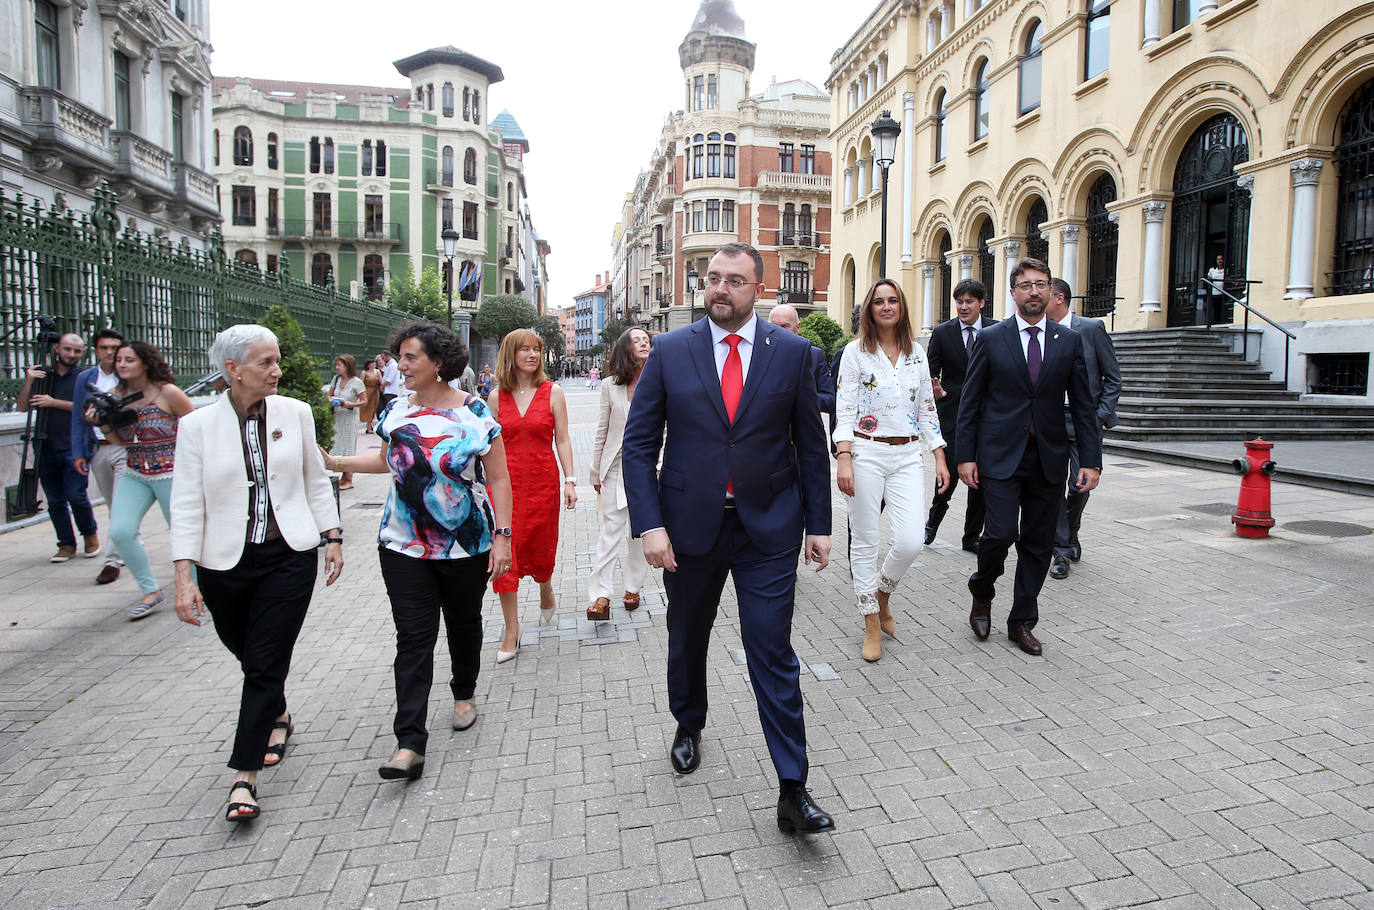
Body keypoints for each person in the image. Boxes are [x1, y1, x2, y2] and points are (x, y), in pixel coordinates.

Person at [622, 242, 835, 835]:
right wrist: (650, 525)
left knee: (771, 648)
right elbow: (638, 446)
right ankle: (689, 722)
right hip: (688, 527)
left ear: (757, 290)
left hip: (768, 527)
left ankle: (793, 787)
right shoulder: (670, 350)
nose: (719, 287)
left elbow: (810, 446)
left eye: (734, 280)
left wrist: (819, 523)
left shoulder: (792, 353)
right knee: (688, 635)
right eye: (713, 277)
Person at [170, 324, 344, 823]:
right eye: (266, 362)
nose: (277, 371)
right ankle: (278, 711)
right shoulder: (197, 427)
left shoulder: (296, 412)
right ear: (233, 370)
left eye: (277, 360)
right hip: (223, 563)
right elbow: (186, 503)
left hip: (288, 556)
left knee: (265, 660)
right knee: (249, 654)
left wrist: (332, 536)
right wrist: (183, 576)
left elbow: (314, 480)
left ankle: (243, 778)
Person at [324, 322, 513, 782]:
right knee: (413, 638)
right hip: (402, 543)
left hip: (465, 543)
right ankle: (409, 742)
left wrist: (503, 537)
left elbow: (499, 478)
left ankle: (463, 691)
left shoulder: (475, 413)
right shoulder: (395, 410)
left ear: (438, 363)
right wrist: (337, 462)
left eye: (410, 358)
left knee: (463, 624)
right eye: (400, 357)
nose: (400, 366)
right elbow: (386, 461)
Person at [955, 258, 1102, 657]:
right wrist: (965, 456)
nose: (1034, 291)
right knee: (999, 534)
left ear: (1051, 291)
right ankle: (982, 590)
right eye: (1025, 285)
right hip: (1000, 456)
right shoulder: (991, 338)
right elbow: (970, 403)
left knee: (1038, 543)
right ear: (1013, 292)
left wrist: (1091, 460)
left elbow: (1084, 406)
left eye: (1040, 284)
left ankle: (1021, 621)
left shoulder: (1068, 341)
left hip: (1048, 458)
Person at [833, 279, 949, 663]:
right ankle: (870, 621)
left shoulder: (917, 353)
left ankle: (882, 594)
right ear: (870, 308)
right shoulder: (855, 353)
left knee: (912, 540)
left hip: (908, 453)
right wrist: (844, 456)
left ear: (901, 307)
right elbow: (844, 408)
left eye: (893, 300)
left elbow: (927, 408)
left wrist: (939, 456)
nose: (886, 306)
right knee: (865, 540)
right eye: (879, 301)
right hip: (865, 451)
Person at [486, 329, 577, 662]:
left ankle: (545, 584)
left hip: (542, 484)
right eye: (524, 349)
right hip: (505, 487)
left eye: (536, 349)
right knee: (504, 554)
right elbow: (488, 446)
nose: (532, 355)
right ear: (510, 354)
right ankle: (512, 629)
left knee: (540, 546)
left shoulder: (553, 392)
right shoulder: (495, 397)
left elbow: (562, 439)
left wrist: (570, 480)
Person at [89, 341, 194, 619]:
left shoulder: (166, 392)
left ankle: (198, 586)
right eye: (119, 360)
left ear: (145, 363)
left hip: (171, 472)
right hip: (135, 472)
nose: (122, 364)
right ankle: (150, 591)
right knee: (121, 531)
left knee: (184, 532)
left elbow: (196, 426)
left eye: (129, 360)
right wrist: (102, 422)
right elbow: (118, 441)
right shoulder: (113, 396)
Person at [1043, 279, 1121, 580]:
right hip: (1051, 420)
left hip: (1083, 421)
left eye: (1045, 293)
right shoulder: (1041, 332)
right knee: (1051, 485)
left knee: (1080, 485)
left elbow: (1113, 378)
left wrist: (1098, 417)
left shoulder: (1090, 328)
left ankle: (1070, 530)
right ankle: (1060, 550)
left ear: (1059, 298)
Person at [924, 279, 996, 552]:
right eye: (959, 302)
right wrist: (935, 390)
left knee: (980, 479)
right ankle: (932, 523)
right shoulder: (943, 333)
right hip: (953, 415)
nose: (963, 307)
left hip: (987, 417)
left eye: (969, 302)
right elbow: (929, 372)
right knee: (949, 474)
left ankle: (971, 536)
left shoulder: (996, 330)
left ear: (981, 303)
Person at [586, 327, 653, 621]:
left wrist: (661, 466)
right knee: (610, 530)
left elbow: (668, 429)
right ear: (625, 348)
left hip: (648, 469)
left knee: (639, 531)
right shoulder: (609, 386)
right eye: (637, 340)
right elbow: (602, 429)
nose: (643, 343)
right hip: (615, 467)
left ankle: (633, 587)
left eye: (646, 340)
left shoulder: (659, 381)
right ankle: (600, 594)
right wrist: (595, 471)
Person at [18, 332, 99, 563]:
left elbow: (88, 408)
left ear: (83, 352)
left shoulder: (85, 376)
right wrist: (29, 380)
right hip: (45, 444)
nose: (71, 354)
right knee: (54, 499)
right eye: (67, 349)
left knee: (76, 494)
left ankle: (89, 533)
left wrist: (53, 402)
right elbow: (23, 406)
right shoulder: (43, 375)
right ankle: (65, 543)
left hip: (75, 445)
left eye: (77, 351)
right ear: (57, 349)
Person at [72, 329, 128, 584]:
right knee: (113, 504)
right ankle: (128, 544)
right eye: (104, 347)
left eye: (114, 348)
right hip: (97, 447)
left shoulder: (127, 375)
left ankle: (112, 561)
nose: (109, 352)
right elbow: (77, 417)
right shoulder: (85, 378)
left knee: (121, 505)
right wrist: (78, 453)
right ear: (96, 350)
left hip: (123, 447)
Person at [767, 303, 836, 418]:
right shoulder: (756, 353)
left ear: (798, 327)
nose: (778, 331)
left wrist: (801, 398)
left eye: (784, 326)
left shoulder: (814, 355)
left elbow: (829, 400)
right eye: (773, 326)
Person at [325, 355, 365, 490]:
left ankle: (349, 478)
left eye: (339, 365)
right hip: (337, 416)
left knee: (348, 446)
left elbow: (364, 401)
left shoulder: (357, 382)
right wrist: (331, 400)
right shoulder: (336, 379)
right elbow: (329, 394)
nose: (337, 368)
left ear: (347, 366)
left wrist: (350, 404)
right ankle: (343, 476)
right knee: (338, 444)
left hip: (350, 418)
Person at [360, 358, 382, 434]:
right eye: (372, 363)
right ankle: (368, 426)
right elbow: (361, 383)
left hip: (375, 392)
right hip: (367, 391)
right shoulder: (364, 372)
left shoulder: (377, 371)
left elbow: (381, 381)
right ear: (369, 365)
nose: (374, 364)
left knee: (374, 408)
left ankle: (370, 425)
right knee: (367, 408)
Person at [1206, 254, 1228, 328]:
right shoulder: (1212, 270)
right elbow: (1209, 279)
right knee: (1216, 308)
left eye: (1221, 259)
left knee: (1222, 308)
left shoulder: (1226, 270)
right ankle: (1216, 322)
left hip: (1223, 292)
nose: (1219, 261)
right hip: (1214, 292)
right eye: (1218, 259)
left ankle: (1223, 321)